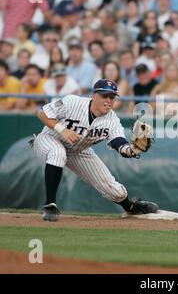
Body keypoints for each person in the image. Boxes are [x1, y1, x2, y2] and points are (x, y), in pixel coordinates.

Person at [30, 79, 159, 221]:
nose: (109, 100)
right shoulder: (73, 102)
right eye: (105, 96)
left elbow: (119, 144)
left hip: (79, 151)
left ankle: (131, 207)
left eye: (112, 97)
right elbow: (42, 113)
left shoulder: (112, 120)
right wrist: (62, 130)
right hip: (50, 139)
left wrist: (133, 150)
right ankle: (50, 205)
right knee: (57, 153)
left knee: (116, 191)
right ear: (94, 95)